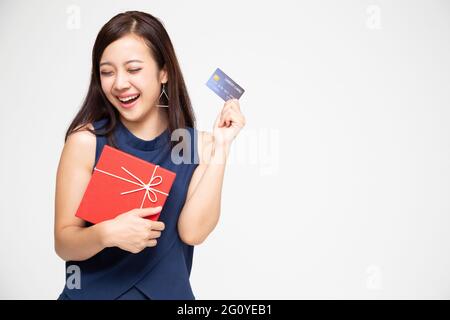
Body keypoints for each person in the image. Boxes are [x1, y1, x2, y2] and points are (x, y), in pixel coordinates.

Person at [54, 11, 246, 300]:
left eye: (133, 69)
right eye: (107, 72)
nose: (119, 83)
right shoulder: (86, 142)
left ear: (164, 72)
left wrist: (221, 147)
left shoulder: (198, 146)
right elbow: (64, 243)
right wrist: (106, 234)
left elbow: (193, 232)